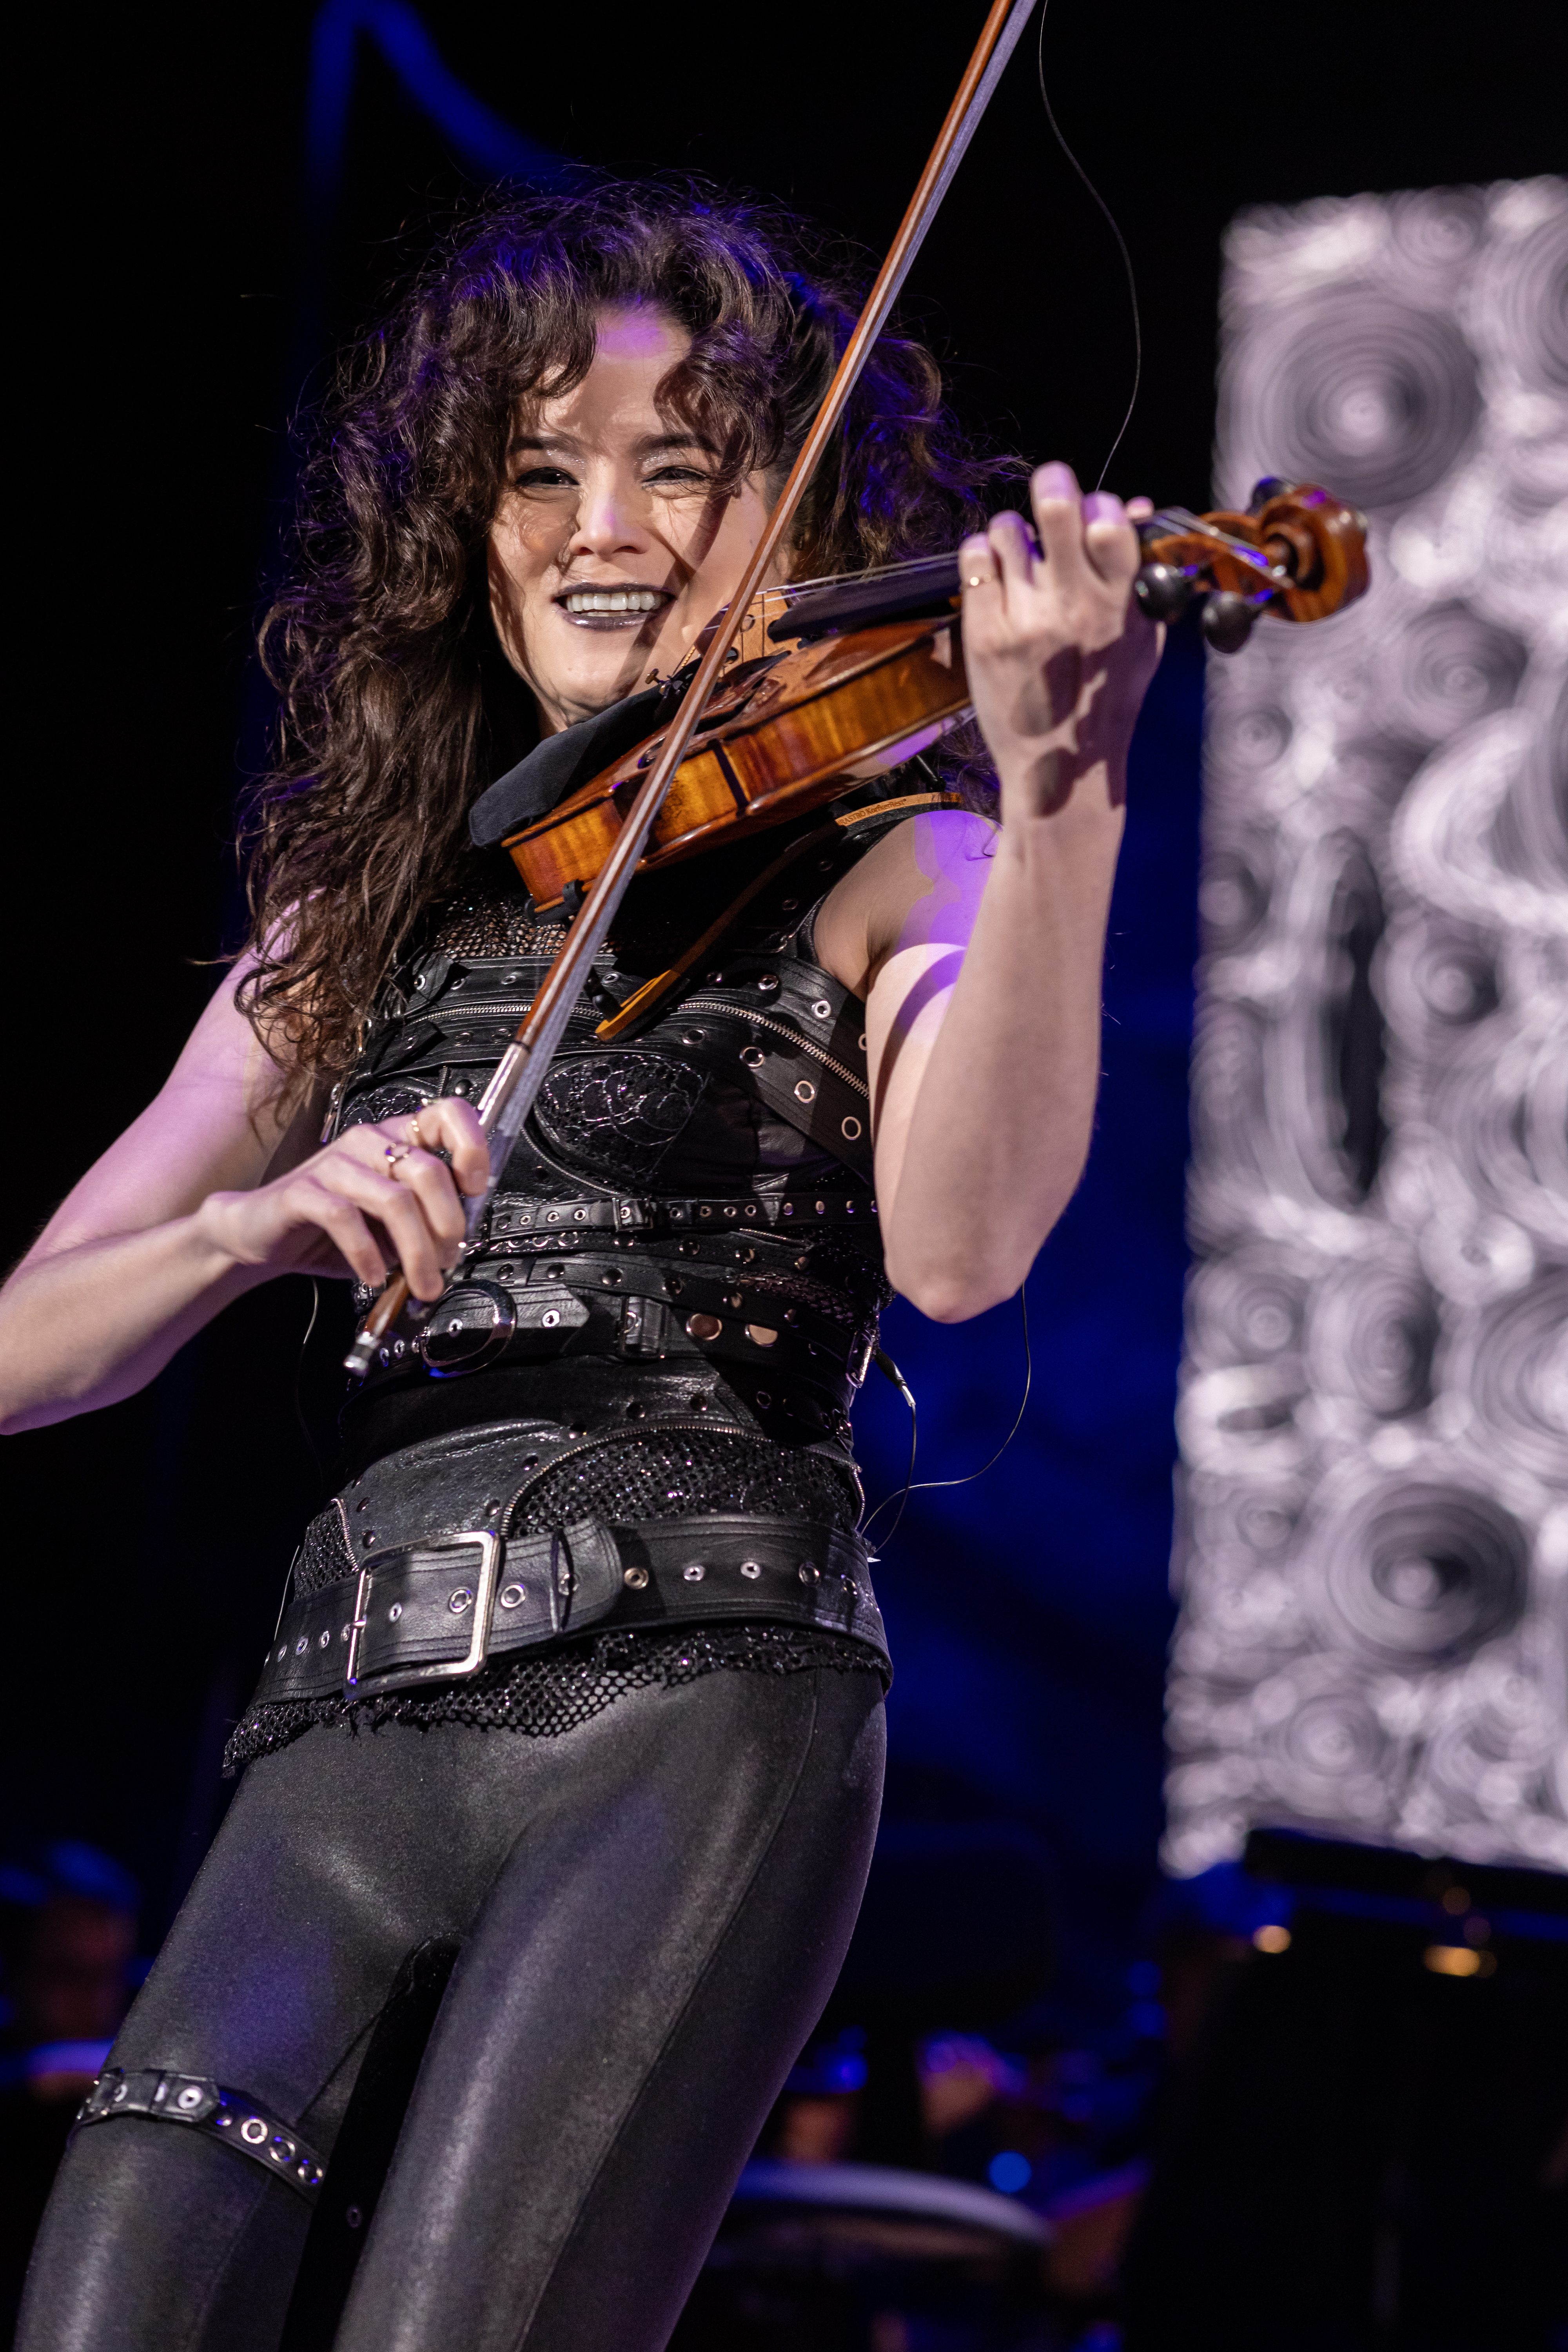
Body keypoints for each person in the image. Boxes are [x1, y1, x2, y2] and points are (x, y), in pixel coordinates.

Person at [0, 183, 1160, 2350]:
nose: (596, 522)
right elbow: (22, 1352)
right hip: (335, 1722)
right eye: (539, 470)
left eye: (681, 467)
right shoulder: (346, 936)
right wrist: (250, 1226)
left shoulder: (899, 854)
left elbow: (971, 1247)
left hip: (691, 1701)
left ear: (792, 531)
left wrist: (1064, 786)